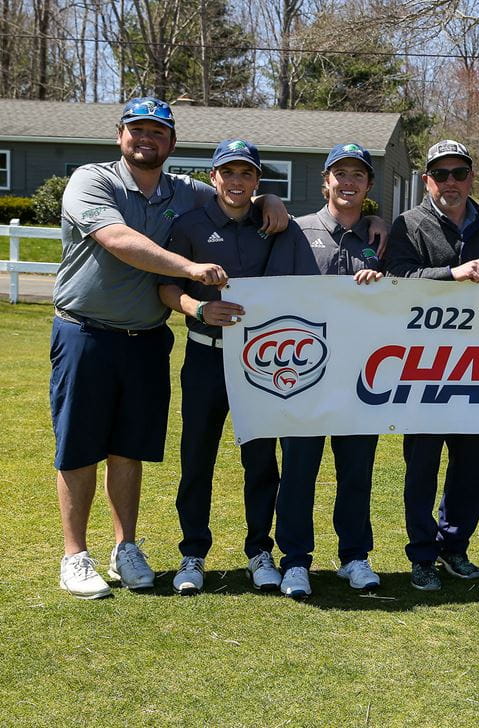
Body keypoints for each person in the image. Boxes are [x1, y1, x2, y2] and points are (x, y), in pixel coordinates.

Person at [52, 98, 288, 599]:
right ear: (120, 135)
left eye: (157, 132)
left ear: (172, 144)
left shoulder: (185, 191)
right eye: (137, 130)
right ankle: (75, 555)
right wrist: (188, 272)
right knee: (79, 446)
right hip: (85, 331)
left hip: (146, 339)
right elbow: (116, 238)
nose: (146, 139)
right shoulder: (92, 180)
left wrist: (270, 201)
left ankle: (126, 547)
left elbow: (235, 194)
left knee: (128, 447)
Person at [159, 139, 310, 597]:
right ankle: (192, 552)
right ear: (214, 178)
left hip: (260, 360)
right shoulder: (189, 225)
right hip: (206, 353)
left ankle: (259, 551)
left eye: (247, 174)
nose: (237, 182)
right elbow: (166, 288)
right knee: (197, 455)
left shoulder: (274, 224)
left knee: (260, 459)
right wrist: (197, 309)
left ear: (257, 181)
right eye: (229, 173)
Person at [385, 140, 479, 591]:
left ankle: (454, 547)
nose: (452, 183)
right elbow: (396, 278)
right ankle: (421, 554)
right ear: (427, 181)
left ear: (471, 177)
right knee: (421, 464)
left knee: (472, 464)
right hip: (424, 366)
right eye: (442, 175)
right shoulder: (409, 224)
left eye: (460, 173)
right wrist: (449, 274)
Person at [278, 143, 385, 593]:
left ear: (368, 186)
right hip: (302, 373)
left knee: (356, 470)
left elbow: (404, 296)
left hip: (361, 373)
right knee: (299, 468)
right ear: (325, 181)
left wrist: (383, 284)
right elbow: (274, 296)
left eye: (357, 175)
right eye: (339, 173)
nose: (347, 181)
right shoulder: (294, 231)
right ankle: (296, 559)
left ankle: (354, 556)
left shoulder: (382, 237)